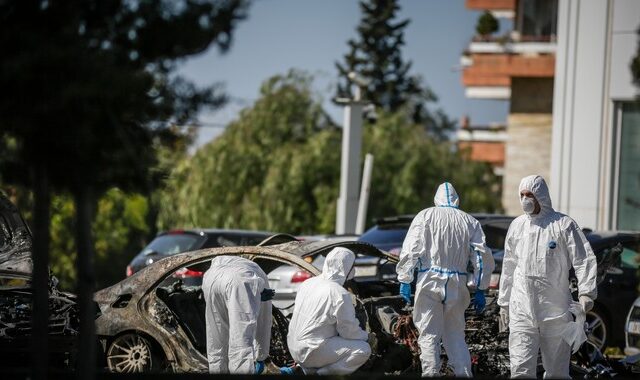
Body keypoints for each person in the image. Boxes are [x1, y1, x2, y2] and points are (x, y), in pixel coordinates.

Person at [498, 175, 598, 378]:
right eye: (522, 195)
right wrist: (504, 302)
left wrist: (587, 292)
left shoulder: (563, 225)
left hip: (555, 312)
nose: (525, 199)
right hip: (521, 310)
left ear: (541, 196)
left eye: (530, 195)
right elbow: (508, 266)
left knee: (557, 372)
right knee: (520, 370)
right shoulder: (517, 226)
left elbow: (583, 258)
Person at [396, 182, 494, 377]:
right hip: (457, 283)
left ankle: (431, 374)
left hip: (429, 280)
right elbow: (482, 257)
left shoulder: (425, 216)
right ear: (457, 199)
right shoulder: (470, 221)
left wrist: (405, 279)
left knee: (429, 335)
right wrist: (481, 287)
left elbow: (411, 250)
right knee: (456, 336)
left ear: (436, 198)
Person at [286, 247, 372, 375]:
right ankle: (321, 374)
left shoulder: (308, 283)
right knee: (363, 349)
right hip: (311, 350)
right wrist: (367, 337)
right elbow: (348, 331)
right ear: (346, 267)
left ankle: (303, 369)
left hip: (293, 347)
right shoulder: (339, 293)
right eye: (352, 265)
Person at [202, 255, 275, 374]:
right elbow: (264, 322)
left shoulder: (251, 270)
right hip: (239, 280)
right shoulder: (257, 277)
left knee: (216, 338)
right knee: (241, 340)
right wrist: (261, 357)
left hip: (210, 276)